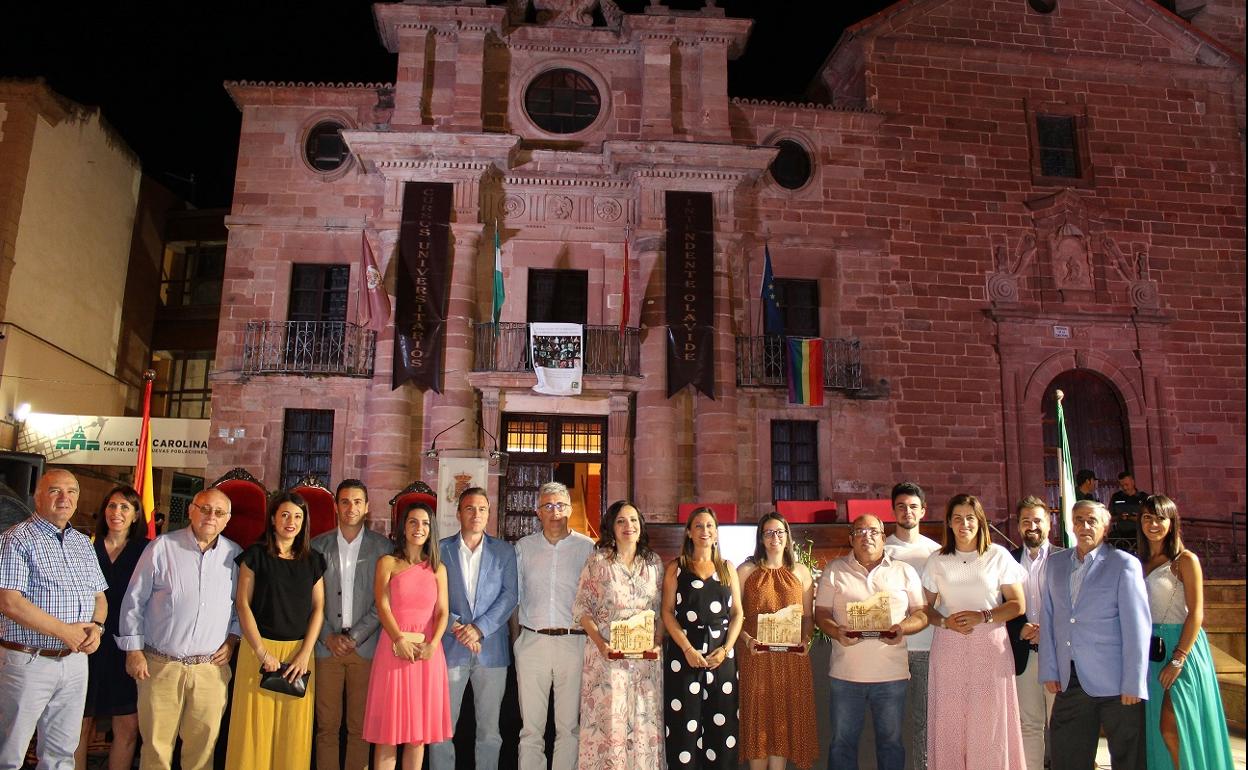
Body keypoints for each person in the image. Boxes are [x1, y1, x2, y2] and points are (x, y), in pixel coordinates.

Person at [117, 487, 241, 770]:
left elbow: (240, 606)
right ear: (191, 511)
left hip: (210, 671)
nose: (211, 516)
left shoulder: (235, 555)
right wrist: (133, 651)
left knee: (203, 751)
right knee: (156, 749)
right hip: (161, 666)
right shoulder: (161, 547)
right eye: (204, 509)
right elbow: (134, 600)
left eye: (219, 512)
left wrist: (233, 639)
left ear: (227, 520)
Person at [0, 469, 107, 770]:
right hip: (28, 661)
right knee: (9, 752)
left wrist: (97, 628)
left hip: (74, 663)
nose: (64, 498)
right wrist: (64, 632)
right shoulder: (16, 539)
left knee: (61, 753)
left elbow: (99, 597)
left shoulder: (82, 543)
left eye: (71, 491)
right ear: (37, 496)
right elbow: (9, 602)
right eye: (55, 491)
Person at [1039, 500, 1150, 770]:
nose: (1084, 526)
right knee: (1066, 757)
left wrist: (1134, 682)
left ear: (1105, 527)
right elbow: (1049, 618)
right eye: (1079, 520)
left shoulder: (1124, 564)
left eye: (1092, 521)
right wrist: (1050, 669)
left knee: (1128, 759)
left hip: (1117, 682)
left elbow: (1137, 627)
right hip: (1071, 679)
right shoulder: (1055, 564)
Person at [921, 493, 1027, 770]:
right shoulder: (937, 560)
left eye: (970, 518)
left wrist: (984, 616)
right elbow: (924, 608)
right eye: (957, 518)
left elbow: (1017, 604)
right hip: (949, 646)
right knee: (950, 721)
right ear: (949, 523)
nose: (964, 524)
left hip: (990, 646)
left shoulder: (997, 555)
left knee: (989, 722)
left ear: (980, 521)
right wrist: (945, 622)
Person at [814, 514, 928, 770]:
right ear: (851, 538)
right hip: (846, 675)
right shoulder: (834, 570)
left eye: (873, 531)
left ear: (883, 537)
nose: (867, 536)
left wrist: (902, 628)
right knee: (842, 745)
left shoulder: (903, 571)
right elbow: (821, 614)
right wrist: (837, 631)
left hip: (891, 676)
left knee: (891, 745)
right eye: (860, 531)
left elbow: (922, 614)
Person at [226, 491, 327, 770]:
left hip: (298, 655)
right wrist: (262, 652)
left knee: (292, 732)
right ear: (272, 519)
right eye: (284, 515)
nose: (291, 522)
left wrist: (304, 654)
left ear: (304, 522)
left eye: (297, 516)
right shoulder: (255, 555)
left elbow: (319, 608)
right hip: (257, 651)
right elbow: (242, 604)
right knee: (252, 731)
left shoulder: (313, 560)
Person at [1137, 495, 1233, 770]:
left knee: (1173, 728)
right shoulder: (1139, 562)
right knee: (1158, 731)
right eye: (1147, 518)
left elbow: (1196, 613)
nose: (1153, 524)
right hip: (1152, 650)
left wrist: (1179, 658)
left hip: (1183, 648)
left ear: (1172, 522)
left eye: (1160, 518)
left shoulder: (1185, 560)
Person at [430, 488, 518, 770]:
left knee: (490, 731)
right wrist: (456, 625)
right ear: (458, 513)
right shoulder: (439, 549)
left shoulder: (504, 551)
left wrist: (479, 628)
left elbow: (510, 596)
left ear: (489, 514)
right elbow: (430, 595)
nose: (476, 514)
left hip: (491, 650)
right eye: (469, 508)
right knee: (442, 728)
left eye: (482, 508)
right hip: (450, 647)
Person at [572, 499, 664, 769]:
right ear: (611, 527)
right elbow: (581, 610)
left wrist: (657, 642)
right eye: (621, 521)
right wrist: (601, 645)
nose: (628, 526)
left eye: (633, 520)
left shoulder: (654, 563)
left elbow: (662, 612)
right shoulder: (598, 561)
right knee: (609, 729)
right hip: (607, 662)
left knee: (643, 728)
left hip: (645, 665)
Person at [362, 501, 452, 770]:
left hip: (426, 656)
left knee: (417, 736)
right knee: (388, 733)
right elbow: (382, 605)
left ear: (431, 529)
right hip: (393, 651)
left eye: (425, 523)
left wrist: (433, 645)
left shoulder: (438, 569)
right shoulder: (387, 563)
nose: (419, 528)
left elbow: (443, 612)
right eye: (413, 522)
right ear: (403, 527)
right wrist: (399, 640)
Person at [310, 479, 392, 770]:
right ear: (336, 506)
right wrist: (328, 637)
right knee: (326, 727)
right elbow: (307, 600)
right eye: (345, 501)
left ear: (367, 507)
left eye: (357, 502)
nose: (351, 508)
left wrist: (355, 636)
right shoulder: (316, 546)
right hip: (326, 649)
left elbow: (384, 601)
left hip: (365, 649)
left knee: (360, 728)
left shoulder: (383, 548)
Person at [514, 481, 595, 770]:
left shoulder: (588, 548)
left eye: (560, 505)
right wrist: (517, 642)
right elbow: (515, 597)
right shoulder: (524, 547)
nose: (554, 511)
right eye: (547, 506)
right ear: (538, 512)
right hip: (532, 642)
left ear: (570, 509)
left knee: (569, 727)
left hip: (573, 643)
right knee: (530, 728)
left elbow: (595, 598)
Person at [661, 505, 743, 769]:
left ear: (716, 532)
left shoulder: (728, 568)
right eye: (698, 525)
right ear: (688, 532)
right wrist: (687, 649)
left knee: (722, 726)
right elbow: (667, 612)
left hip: (721, 657)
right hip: (684, 655)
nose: (704, 530)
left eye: (709, 526)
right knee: (684, 727)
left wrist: (726, 649)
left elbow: (737, 614)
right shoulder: (676, 568)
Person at [736, 512, 818, 770]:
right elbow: (734, 615)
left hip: (790, 658)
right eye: (769, 532)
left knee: (783, 721)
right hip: (756, 657)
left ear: (787, 536)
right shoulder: (745, 571)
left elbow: (808, 617)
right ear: (761, 538)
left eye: (780, 532)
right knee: (759, 721)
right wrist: (747, 640)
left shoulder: (801, 572)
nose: (775, 537)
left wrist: (806, 641)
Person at [76, 486, 150, 770]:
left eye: (124, 507)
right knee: (80, 724)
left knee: (127, 726)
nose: (116, 512)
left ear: (136, 515)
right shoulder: (85, 547)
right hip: (88, 644)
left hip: (128, 646)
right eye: (112, 506)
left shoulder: (147, 550)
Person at [883, 481, 940, 770]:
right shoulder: (882, 549)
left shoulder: (936, 551)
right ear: (893, 510)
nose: (908, 512)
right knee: (889, 725)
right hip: (890, 649)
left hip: (926, 648)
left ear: (923, 511)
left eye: (913, 507)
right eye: (902, 506)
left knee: (924, 723)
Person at [1004, 496, 1062, 770]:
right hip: (1024, 654)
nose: (1032, 526)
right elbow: (999, 604)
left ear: (1049, 523)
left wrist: (1048, 632)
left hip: (1058, 655)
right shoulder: (1006, 560)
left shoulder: (1067, 559)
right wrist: (1020, 628)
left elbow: (1076, 608)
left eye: (1037, 520)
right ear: (1018, 526)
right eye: (1026, 521)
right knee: (1028, 725)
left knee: (1061, 724)